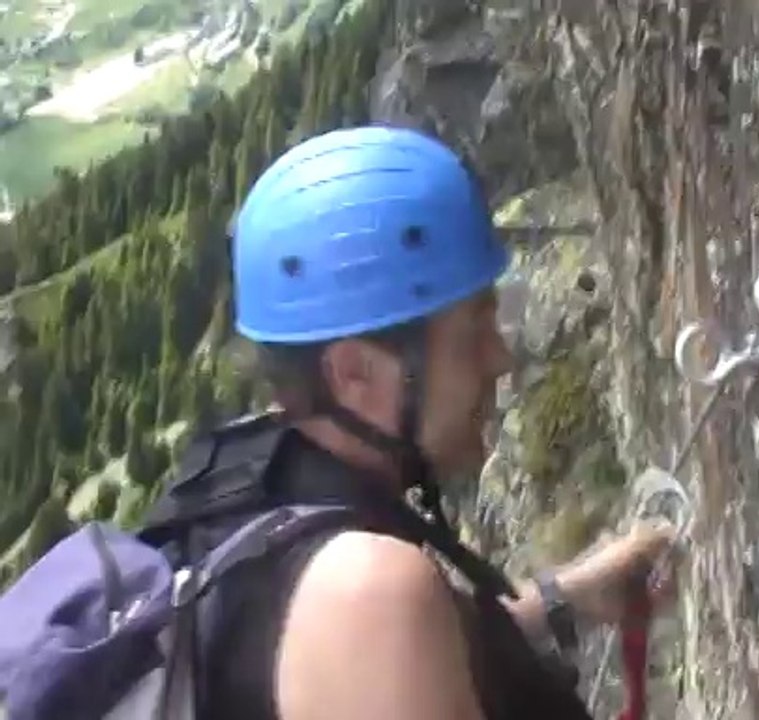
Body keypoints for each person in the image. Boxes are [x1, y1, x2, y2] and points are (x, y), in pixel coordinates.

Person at [209, 124, 677, 720]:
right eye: (473, 331)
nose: (501, 357)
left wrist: (568, 599)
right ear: (355, 370)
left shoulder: (258, 491)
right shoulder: (371, 592)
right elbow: (383, 642)